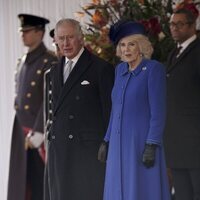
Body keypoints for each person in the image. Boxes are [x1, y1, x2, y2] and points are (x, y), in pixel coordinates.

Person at [99, 20, 170, 200]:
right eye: (122, 45)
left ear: (142, 46)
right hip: (117, 143)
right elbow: (116, 111)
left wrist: (152, 143)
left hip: (141, 143)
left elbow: (158, 112)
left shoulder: (153, 69)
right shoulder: (119, 70)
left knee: (141, 189)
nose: (126, 49)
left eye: (131, 44)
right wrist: (106, 140)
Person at [44, 18, 114, 200]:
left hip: (88, 153)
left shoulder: (101, 68)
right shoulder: (53, 72)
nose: (66, 43)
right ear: (56, 41)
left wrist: (108, 144)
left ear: (81, 38)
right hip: (60, 150)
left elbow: (110, 113)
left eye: (70, 37)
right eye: (61, 38)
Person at [7, 14, 57, 200]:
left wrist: (38, 132)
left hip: (39, 133)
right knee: (21, 181)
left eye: (27, 31)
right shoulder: (22, 62)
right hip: (21, 130)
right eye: (22, 31)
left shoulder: (49, 61)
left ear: (39, 32)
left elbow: (49, 100)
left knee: (39, 183)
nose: (23, 35)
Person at [164, 7, 200, 200]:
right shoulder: (173, 53)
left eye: (180, 24)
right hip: (177, 141)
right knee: (182, 193)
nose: (175, 28)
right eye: (172, 24)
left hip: (195, 140)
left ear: (193, 25)